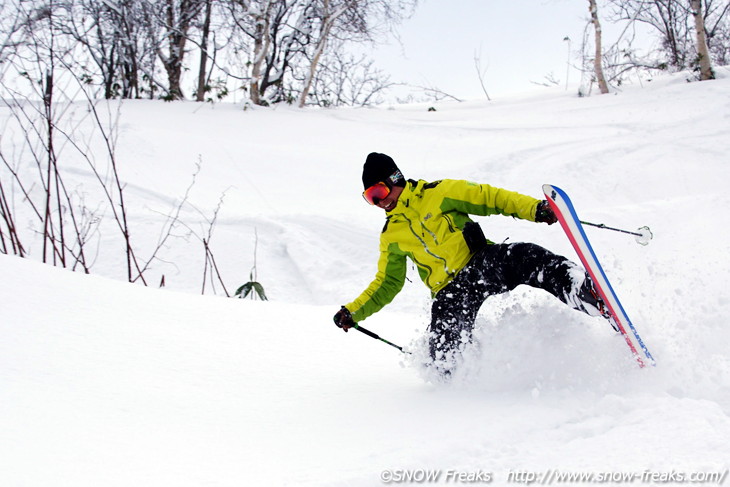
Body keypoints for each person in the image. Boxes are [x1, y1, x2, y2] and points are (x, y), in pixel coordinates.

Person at [333, 152, 615, 376]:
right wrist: (354, 312)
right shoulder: (391, 235)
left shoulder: (439, 193)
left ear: (396, 179)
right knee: (443, 352)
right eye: (370, 198)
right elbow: (387, 283)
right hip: (450, 292)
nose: (379, 203)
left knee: (525, 255)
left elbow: (490, 198)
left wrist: (534, 209)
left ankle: (581, 291)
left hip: (480, 264)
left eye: (379, 192)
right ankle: (454, 386)